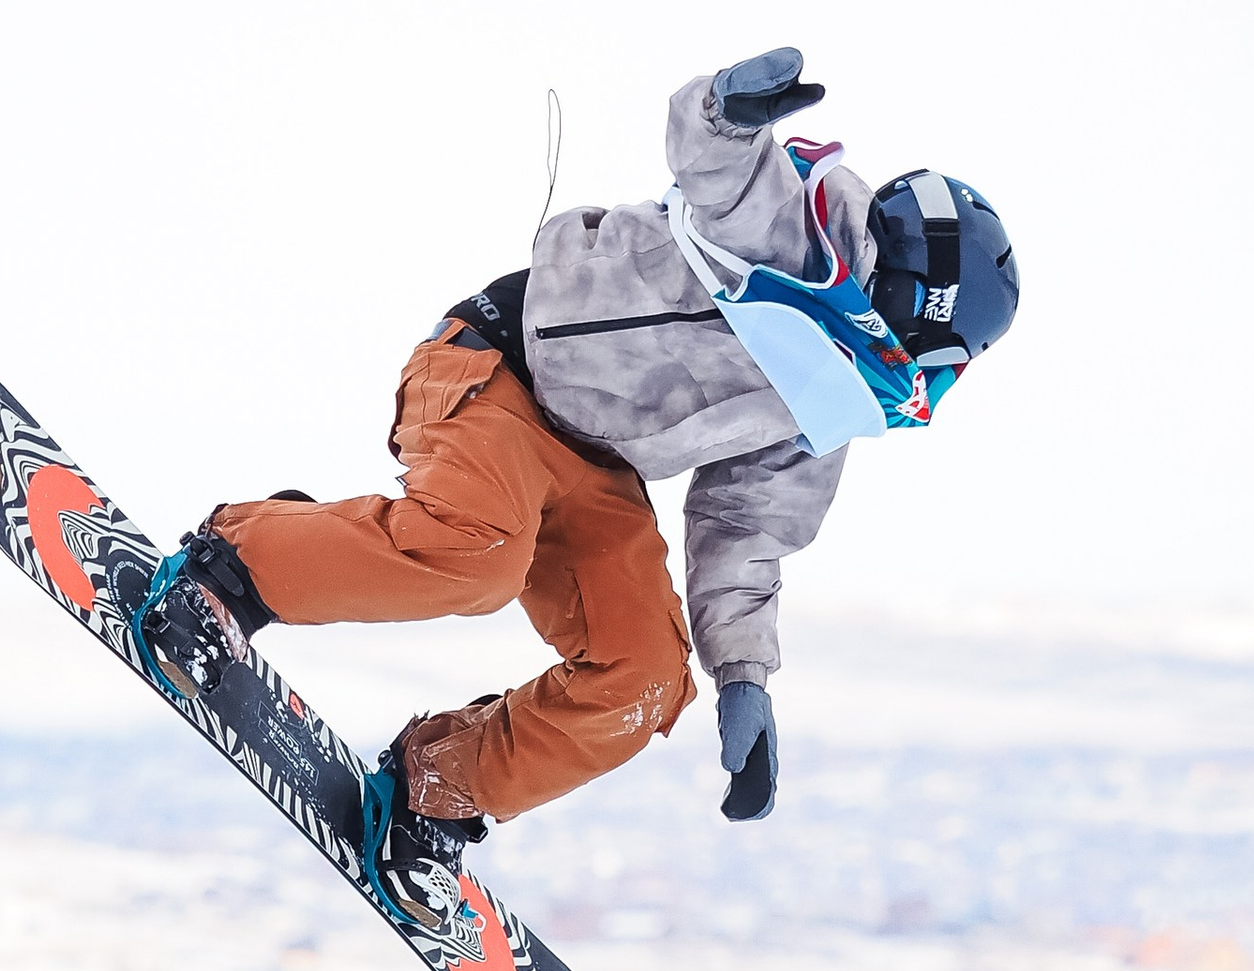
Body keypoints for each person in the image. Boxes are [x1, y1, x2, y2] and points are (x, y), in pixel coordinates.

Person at [134, 48, 1020, 923]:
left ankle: (437, 787)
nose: (911, 370)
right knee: (476, 555)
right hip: (499, 371)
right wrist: (726, 108)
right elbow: (711, 159)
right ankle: (232, 569)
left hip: (597, 470)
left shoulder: (838, 392)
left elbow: (746, 527)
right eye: (920, 346)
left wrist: (743, 674)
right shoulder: (789, 228)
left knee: (645, 676)